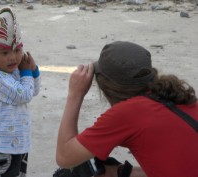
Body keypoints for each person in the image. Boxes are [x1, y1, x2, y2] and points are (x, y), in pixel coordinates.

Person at [56, 41, 198, 177]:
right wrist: (121, 173)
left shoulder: (127, 114)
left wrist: (75, 94)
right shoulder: (177, 97)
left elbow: (64, 157)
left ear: (107, 87)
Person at [0, 7, 41, 177]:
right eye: (4, 53)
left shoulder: (13, 71)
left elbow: (33, 91)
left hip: (18, 145)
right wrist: (26, 72)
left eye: (17, 51)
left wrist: (34, 71)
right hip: (1, 149)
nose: (12, 57)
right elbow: (24, 95)